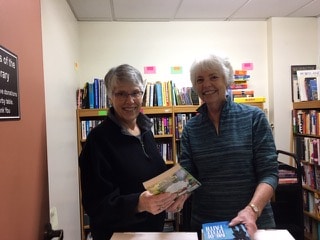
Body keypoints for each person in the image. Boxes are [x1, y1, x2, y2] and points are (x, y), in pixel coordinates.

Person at [178, 53, 279, 239]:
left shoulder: (254, 118)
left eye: (213, 77)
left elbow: (270, 173)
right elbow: (187, 176)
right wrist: (172, 196)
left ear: (227, 80)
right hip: (208, 226)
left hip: (253, 223)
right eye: (199, 80)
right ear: (195, 87)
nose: (206, 84)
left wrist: (251, 210)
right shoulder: (191, 129)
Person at [79, 64, 180, 240]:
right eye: (121, 94)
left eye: (135, 93)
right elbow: (95, 205)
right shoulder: (98, 140)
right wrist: (139, 203)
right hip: (117, 235)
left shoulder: (146, 130)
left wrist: (177, 192)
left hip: (151, 232)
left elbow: (157, 175)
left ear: (142, 94)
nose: (130, 101)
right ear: (110, 96)